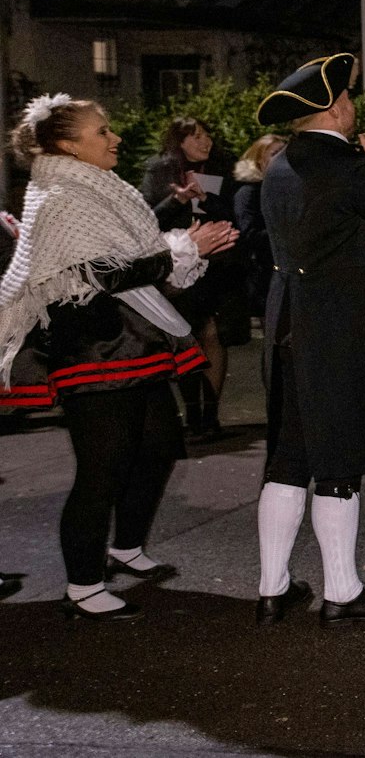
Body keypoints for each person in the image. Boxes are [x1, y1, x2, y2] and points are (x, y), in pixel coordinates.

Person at [0, 95, 237, 620]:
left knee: (157, 447)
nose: (115, 138)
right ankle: (83, 585)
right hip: (93, 347)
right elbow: (104, 273)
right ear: (67, 144)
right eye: (102, 131)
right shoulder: (62, 195)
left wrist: (183, 241)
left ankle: (125, 546)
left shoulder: (94, 186)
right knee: (101, 469)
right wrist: (185, 248)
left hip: (132, 338)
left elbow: (127, 255)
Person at [253, 53, 365, 627]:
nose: (356, 107)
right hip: (337, 326)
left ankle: (272, 589)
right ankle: (343, 591)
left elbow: (340, 219)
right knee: (339, 459)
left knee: (288, 459)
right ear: (334, 106)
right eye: (350, 98)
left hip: (288, 320)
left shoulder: (285, 162)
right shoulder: (341, 164)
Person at [140, 117, 240, 440]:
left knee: (212, 333)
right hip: (177, 264)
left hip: (217, 266)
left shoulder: (223, 167)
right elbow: (146, 221)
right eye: (196, 136)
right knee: (186, 335)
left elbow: (237, 214)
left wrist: (208, 199)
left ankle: (209, 415)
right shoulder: (160, 170)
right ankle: (193, 413)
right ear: (179, 141)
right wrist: (179, 199)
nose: (205, 141)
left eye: (208, 135)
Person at [232, 134, 286, 327]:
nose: (282, 157)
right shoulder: (248, 193)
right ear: (259, 160)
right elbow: (249, 234)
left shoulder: (283, 187)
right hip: (264, 275)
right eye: (275, 153)